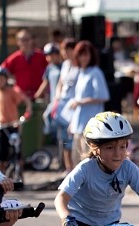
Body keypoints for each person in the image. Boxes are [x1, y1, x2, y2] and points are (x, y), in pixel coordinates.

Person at [67, 40, 110, 167]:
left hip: (91, 125)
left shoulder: (95, 72)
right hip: (78, 124)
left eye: (86, 54)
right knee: (77, 158)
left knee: (89, 160)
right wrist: (72, 122)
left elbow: (103, 96)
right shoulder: (80, 73)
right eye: (81, 54)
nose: (84, 58)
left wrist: (80, 102)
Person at [0, 66, 32, 173]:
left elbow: (26, 100)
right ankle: (1, 175)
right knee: (2, 151)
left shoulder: (11, 91)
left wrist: (28, 111)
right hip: (1, 126)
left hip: (13, 125)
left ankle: (19, 173)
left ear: (6, 79)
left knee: (17, 150)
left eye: (1, 78)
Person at [54, 37, 79, 173]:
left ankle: (75, 168)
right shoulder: (65, 65)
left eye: (66, 50)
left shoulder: (79, 67)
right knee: (63, 138)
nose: (64, 53)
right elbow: (61, 82)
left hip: (73, 105)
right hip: (63, 104)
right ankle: (67, 167)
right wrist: (57, 97)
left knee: (72, 138)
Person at [1, 28, 48, 99]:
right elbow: (2, 71)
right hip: (21, 97)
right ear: (18, 42)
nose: (25, 42)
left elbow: (50, 70)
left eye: (27, 39)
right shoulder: (14, 58)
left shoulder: (41, 56)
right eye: (22, 40)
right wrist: (11, 84)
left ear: (31, 40)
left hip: (40, 95)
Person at [34, 43, 64, 140]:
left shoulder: (64, 67)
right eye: (47, 55)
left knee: (50, 117)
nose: (49, 57)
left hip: (63, 100)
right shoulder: (49, 68)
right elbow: (45, 83)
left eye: (52, 55)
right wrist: (36, 95)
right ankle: (52, 138)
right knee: (48, 116)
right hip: (53, 100)